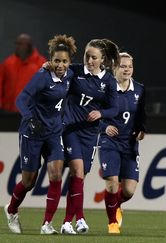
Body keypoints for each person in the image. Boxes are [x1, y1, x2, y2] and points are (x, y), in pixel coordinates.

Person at [4, 34, 76, 234]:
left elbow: (88, 72)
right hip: (32, 133)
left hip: (53, 133)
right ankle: (11, 210)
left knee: (56, 175)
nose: (60, 65)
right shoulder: (42, 77)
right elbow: (21, 99)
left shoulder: (70, 75)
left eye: (64, 61)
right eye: (56, 61)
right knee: (29, 181)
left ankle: (46, 224)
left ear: (69, 62)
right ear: (50, 60)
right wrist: (29, 118)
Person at [60, 39, 120, 234]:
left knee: (80, 176)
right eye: (87, 56)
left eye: (94, 57)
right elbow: (58, 68)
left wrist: (101, 114)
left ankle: (70, 222)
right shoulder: (75, 71)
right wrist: (48, 66)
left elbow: (114, 108)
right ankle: (77, 219)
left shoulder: (109, 80)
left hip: (90, 133)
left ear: (102, 59)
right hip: (70, 129)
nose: (90, 60)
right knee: (77, 172)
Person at [98, 52, 146, 234]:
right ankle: (112, 223)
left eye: (130, 66)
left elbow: (141, 116)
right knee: (111, 182)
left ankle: (116, 205)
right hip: (109, 142)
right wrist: (104, 127)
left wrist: (142, 129)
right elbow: (93, 115)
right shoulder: (105, 89)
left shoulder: (140, 89)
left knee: (129, 191)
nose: (127, 69)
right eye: (123, 66)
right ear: (114, 68)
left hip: (130, 144)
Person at [0, 33, 47, 112]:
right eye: (16, 44)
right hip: (8, 111)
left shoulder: (41, 64)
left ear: (29, 46)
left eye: (20, 44)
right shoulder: (8, 63)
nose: (17, 47)